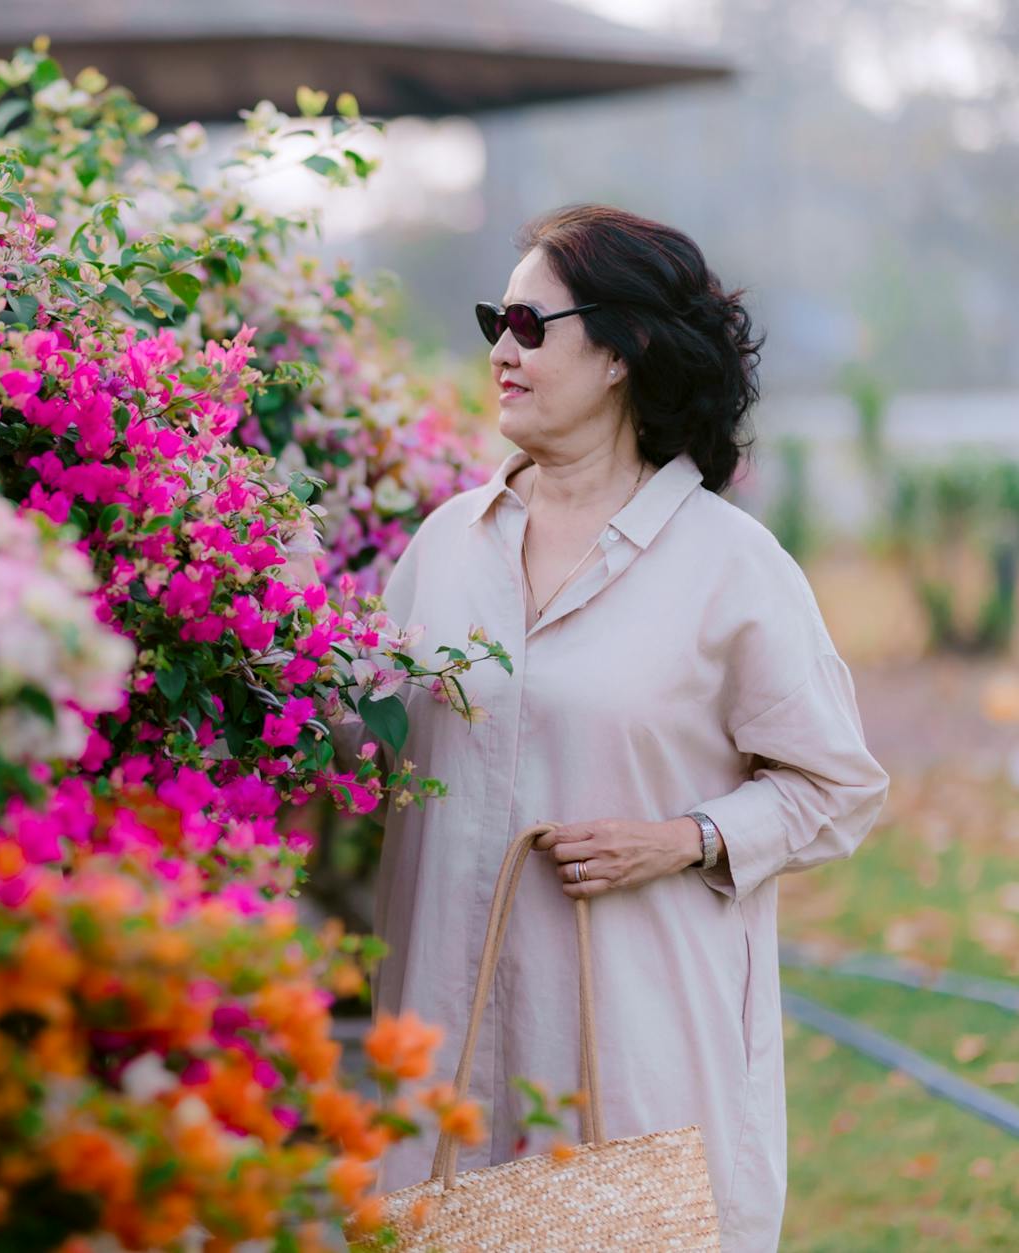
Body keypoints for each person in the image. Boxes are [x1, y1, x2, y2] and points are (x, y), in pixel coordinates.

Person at [361, 204, 890, 1252]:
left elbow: (839, 787)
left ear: (621, 351)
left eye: (527, 321)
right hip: (439, 1056)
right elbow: (366, 749)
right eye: (491, 320)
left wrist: (685, 836)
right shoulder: (444, 546)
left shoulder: (729, 567)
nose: (499, 350)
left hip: (630, 1058)